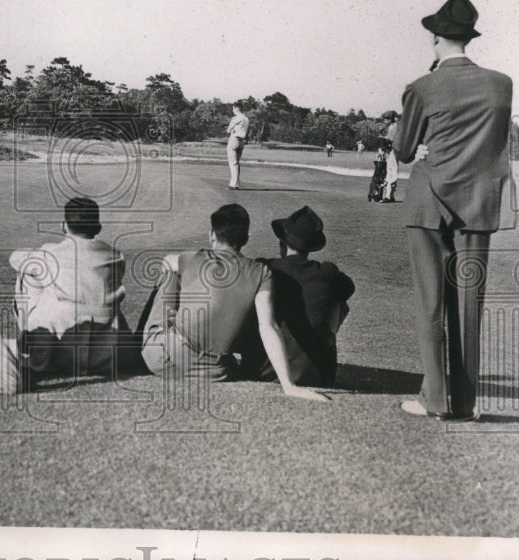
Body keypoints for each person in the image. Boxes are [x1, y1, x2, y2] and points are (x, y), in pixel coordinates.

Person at [395, 0, 516, 421]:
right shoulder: (502, 84)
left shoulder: (422, 87)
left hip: (429, 202)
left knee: (430, 305)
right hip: (478, 205)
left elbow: (405, 150)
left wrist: (424, 139)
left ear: (435, 37)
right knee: (469, 307)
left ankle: (434, 399)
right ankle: (464, 403)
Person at [134, 203, 328, 400]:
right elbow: (268, 326)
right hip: (215, 372)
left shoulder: (194, 257)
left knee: (170, 274)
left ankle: (135, 348)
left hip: (164, 360)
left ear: (212, 235)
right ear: (245, 239)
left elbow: (168, 261)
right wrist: (288, 385)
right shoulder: (261, 272)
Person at [9, 197, 131, 378]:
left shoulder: (49, 253)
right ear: (98, 227)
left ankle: (31, 340)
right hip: (106, 353)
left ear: (64, 225)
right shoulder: (116, 256)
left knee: (29, 274)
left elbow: (15, 259)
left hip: (57, 352)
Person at [238, 206, 355, 388]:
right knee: (339, 302)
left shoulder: (266, 267)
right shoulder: (327, 273)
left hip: (262, 369)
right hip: (317, 375)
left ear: (282, 244)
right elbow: (347, 292)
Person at [226, 103, 249, 189]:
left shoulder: (236, 118)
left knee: (233, 163)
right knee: (236, 163)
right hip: (242, 141)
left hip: (234, 140)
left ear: (236, 109)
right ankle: (236, 183)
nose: (233, 111)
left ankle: (233, 184)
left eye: (233, 109)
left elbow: (228, 130)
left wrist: (231, 129)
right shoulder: (246, 118)